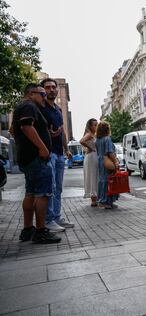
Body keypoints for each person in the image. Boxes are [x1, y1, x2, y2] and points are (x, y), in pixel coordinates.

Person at [11, 83, 61, 244]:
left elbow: (14, 130)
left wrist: (47, 134)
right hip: (37, 158)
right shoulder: (29, 106)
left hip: (27, 158)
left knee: (31, 192)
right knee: (43, 194)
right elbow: (26, 127)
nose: (44, 97)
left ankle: (27, 230)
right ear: (31, 94)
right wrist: (42, 148)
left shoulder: (22, 107)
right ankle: (40, 231)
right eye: (42, 94)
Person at [40, 78, 74, 233]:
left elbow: (62, 131)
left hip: (60, 153)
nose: (52, 90)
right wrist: (50, 134)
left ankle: (57, 217)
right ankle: (49, 220)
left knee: (58, 188)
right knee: (51, 187)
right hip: (49, 152)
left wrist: (66, 149)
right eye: (48, 87)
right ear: (43, 90)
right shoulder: (41, 108)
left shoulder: (58, 110)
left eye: (54, 87)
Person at [96, 121, 119, 209]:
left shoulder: (98, 140)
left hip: (101, 161)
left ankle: (103, 200)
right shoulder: (107, 139)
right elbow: (110, 152)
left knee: (102, 180)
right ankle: (106, 201)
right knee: (109, 180)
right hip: (108, 161)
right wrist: (116, 162)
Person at [80, 118, 98, 206]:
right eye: (94, 125)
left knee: (94, 176)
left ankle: (95, 198)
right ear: (90, 126)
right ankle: (93, 199)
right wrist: (90, 148)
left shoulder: (94, 135)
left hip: (93, 157)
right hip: (91, 157)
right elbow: (81, 141)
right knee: (92, 176)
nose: (96, 126)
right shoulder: (89, 134)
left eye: (97, 124)